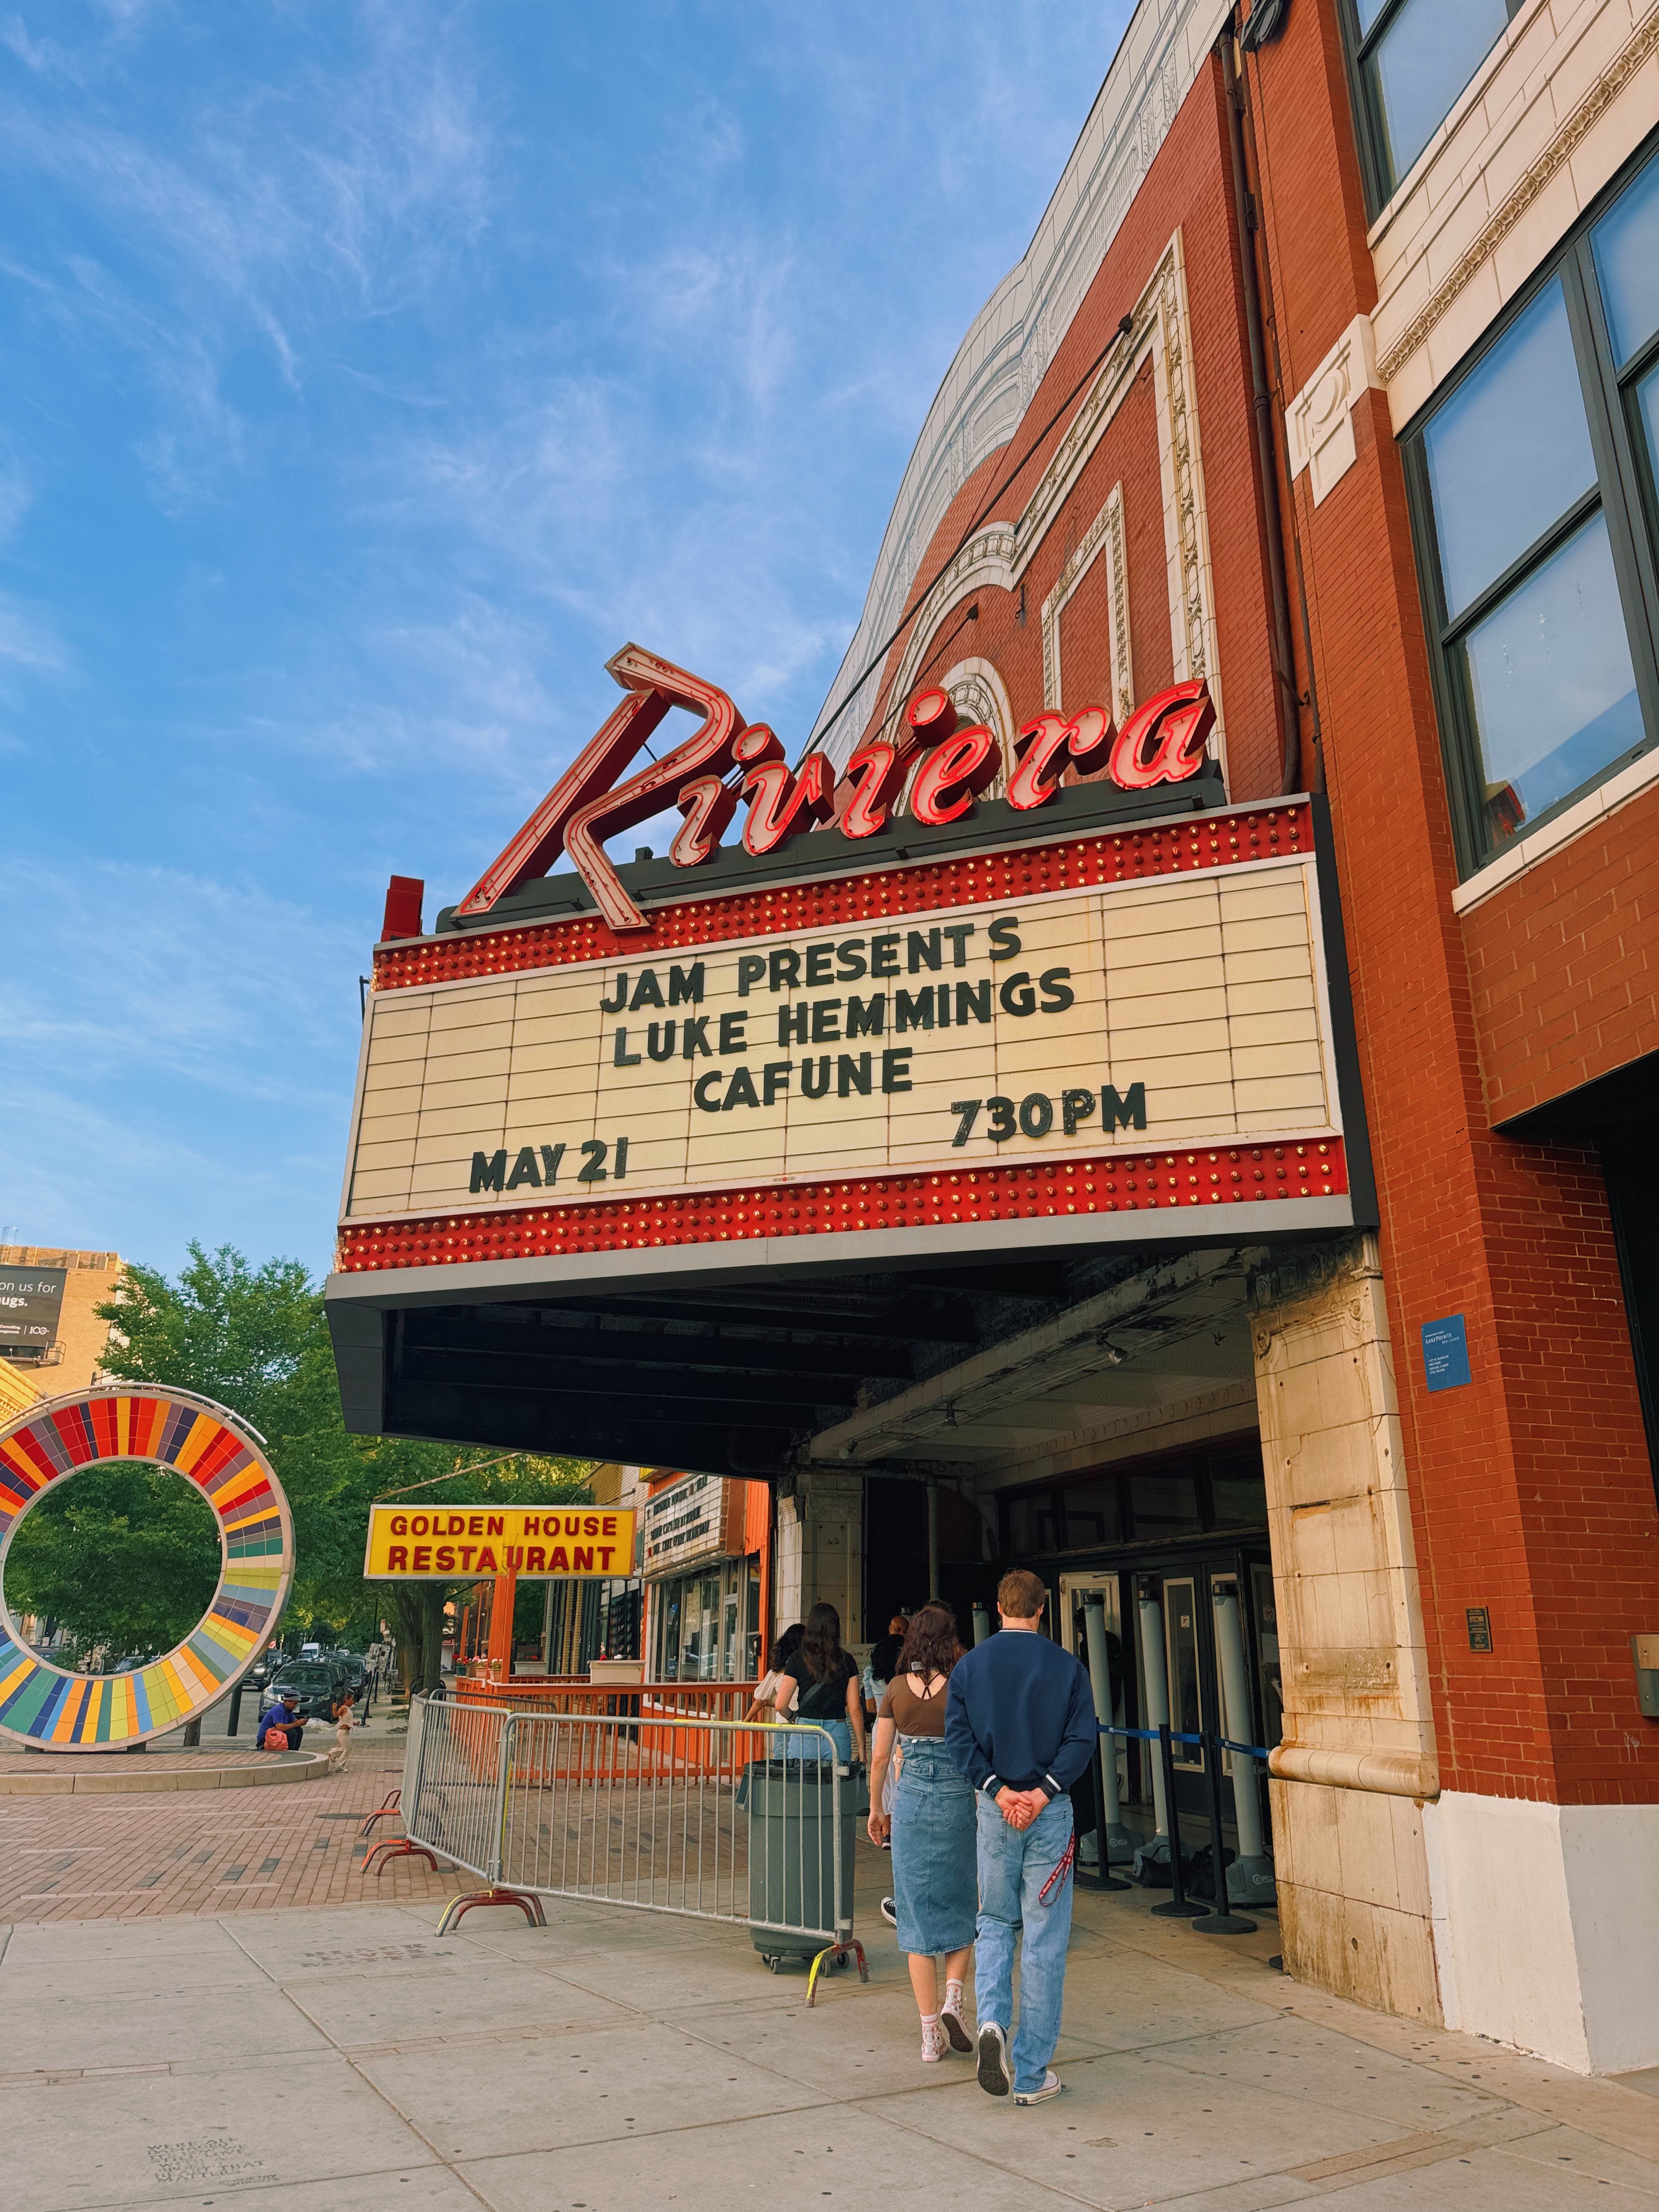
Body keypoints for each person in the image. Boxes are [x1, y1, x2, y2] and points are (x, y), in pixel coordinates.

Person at [945, 1568, 1097, 2107]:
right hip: (1048, 1813)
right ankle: (1031, 2074)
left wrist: (1000, 1790)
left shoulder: (970, 1667)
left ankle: (991, 2022)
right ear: (1041, 1610)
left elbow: (958, 1739)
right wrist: (1041, 1793)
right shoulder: (1068, 1667)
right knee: (1044, 1938)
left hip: (995, 1810)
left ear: (999, 1608)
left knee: (993, 1921)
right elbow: (1082, 1739)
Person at [867, 1602, 976, 2063]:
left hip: (910, 1804)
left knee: (914, 1915)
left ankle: (930, 2035)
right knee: (962, 1902)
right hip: (956, 1801)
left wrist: (877, 1808)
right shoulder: (963, 1684)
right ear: (950, 1641)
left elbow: (879, 1757)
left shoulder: (895, 1689)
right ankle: (954, 1996)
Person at [772, 1601, 866, 1764]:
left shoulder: (797, 1658)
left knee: (803, 1779)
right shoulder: (847, 1660)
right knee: (836, 1779)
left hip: (805, 1730)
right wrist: (862, 1748)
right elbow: (855, 1708)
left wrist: (793, 1717)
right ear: (836, 1629)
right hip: (837, 1732)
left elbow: (780, 1704)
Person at [744, 1622, 805, 1724]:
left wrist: (747, 1720)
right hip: (805, 1722)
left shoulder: (778, 1672)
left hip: (784, 1722)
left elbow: (761, 1700)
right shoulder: (811, 1671)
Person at [256, 1689, 303, 1753]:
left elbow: (295, 1722)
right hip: (265, 1740)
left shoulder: (288, 1710)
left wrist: (302, 1722)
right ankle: (290, 1752)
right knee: (291, 1732)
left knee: (299, 1730)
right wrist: (297, 1724)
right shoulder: (279, 1710)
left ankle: (294, 1751)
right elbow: (280, 1727)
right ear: (288, 1701)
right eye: (294, 1703)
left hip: (275, 1736)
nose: (295, 1706)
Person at [327, 1691, 356, 1772]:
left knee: (348, 1748)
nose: (353, 1702)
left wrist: (355, 1723)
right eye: (351, 1700)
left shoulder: (348, 1710)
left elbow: (348, 1721)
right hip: (342, 1733)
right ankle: (340, 1766)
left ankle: (333, 1753)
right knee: (347, 1749)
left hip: (346, 1733)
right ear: (347, 1700)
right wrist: (334, 1709)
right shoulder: (343, 1708)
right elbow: (336, 1715)